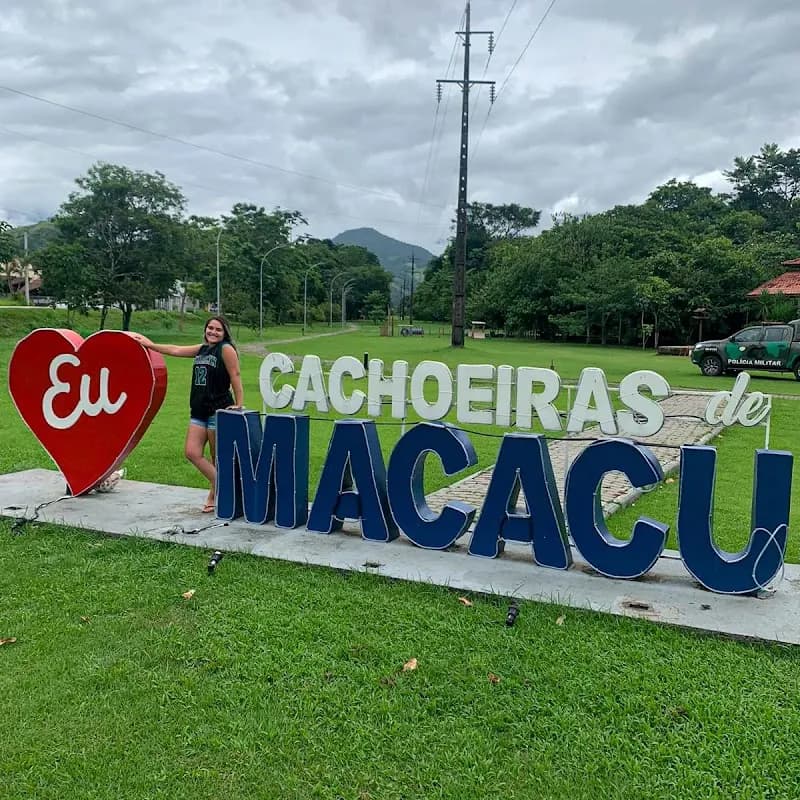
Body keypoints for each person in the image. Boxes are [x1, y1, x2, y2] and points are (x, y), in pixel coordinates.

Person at [131, 316, 244, 513]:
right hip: (199, 410)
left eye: (218, 329)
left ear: (225, 333)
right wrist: (150, 345)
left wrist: (239, 403)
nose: (213, 332)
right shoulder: (202, 349)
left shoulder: (225, 349)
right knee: (192, 452)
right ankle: (224, 486)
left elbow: (235, 375)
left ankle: (214, 494)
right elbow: (175, 349)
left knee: (217, 458)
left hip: (218, 410)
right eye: (210, 328)